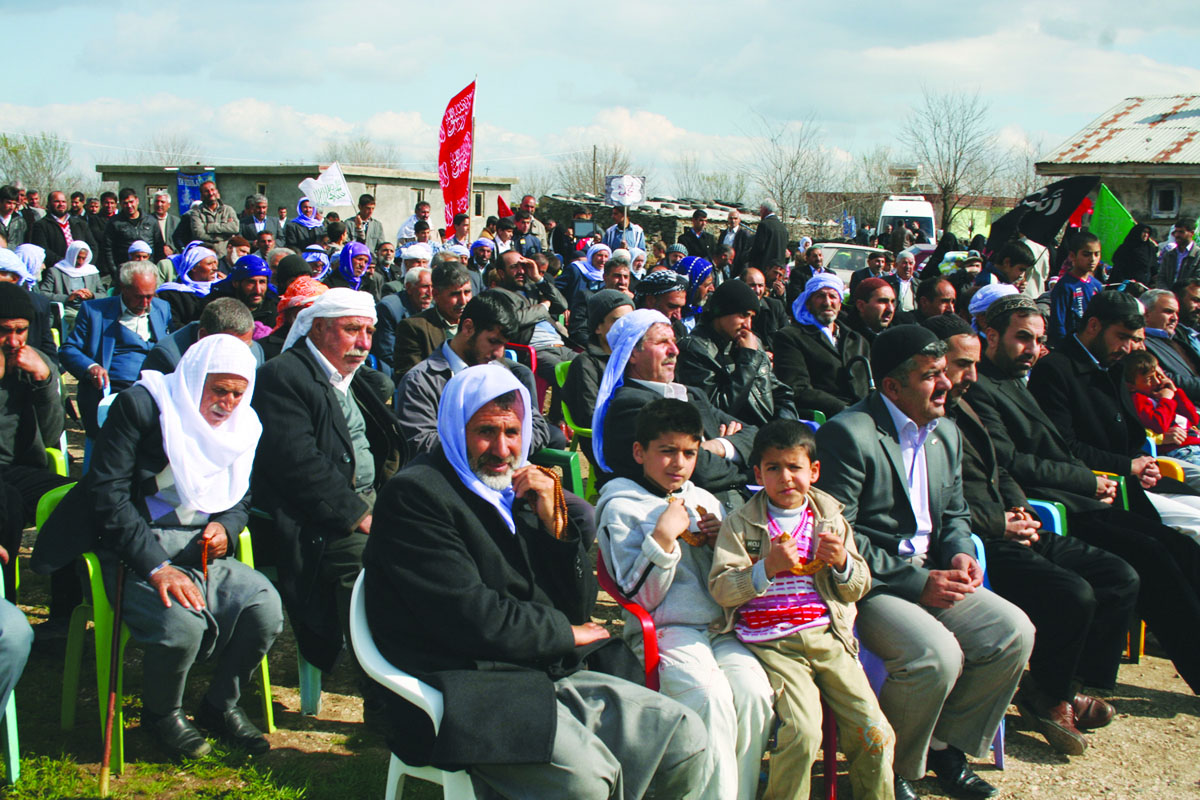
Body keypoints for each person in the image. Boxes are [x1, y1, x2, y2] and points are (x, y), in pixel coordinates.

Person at [365, 364, 711, 798]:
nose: (503, 448)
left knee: (685, 738)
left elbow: (577, 607)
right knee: (586, 781)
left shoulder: (515, 491)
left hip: (539, 667)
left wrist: (555, 527)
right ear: (456, 427)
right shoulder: (418, 495)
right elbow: (470, 618)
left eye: (513, 432)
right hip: (465, 680)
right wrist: (564, 633)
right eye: (486, 431)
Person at [33, 334, 283, 758]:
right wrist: (155, 566)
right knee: (181, 625)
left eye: (238, 393)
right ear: (193, 379)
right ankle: (162, 714)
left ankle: (220, 705)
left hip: (198, 551)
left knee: (265, 608)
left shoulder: (244, 424)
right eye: (218, 390)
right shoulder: (145, 406)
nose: (228, 403)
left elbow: (241, 495)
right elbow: (108, 494)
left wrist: (226, 524)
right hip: (130, 548)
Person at [815, 324, 1034, 800]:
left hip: (935, 571)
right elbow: (838, 534)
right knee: (935, 655)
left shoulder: (947, 432)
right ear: (892, 386)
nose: (947, 383)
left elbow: (953, 511)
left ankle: (943, 747)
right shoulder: (849, 434)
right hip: (872, 584)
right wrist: (918, 582)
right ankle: (891, 768)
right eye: (932, 375)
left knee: (1013, 633)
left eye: (944, 372)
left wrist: (958, 550)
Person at [969, 294, 1200, 694]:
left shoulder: (1016, 378)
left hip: (1081, 491)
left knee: (1178, 548)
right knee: (1150, 558)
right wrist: (1090, 480)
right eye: (1023, 338)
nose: (1033, 350)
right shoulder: (983, 386)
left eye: (1038, 340)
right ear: (991, 335)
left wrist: (1095, 480)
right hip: (1054, 501)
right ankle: (1088, 685)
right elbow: (1013, 461)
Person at [928, 313, 1135, 755]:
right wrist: (1001, 523)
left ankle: (1055, 685)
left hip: (1011, 523)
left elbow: (998, 467)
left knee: (1117, 575)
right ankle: (1051, 695)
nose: (971, 376)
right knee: (1073, 593)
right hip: (979, 539)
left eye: (974, 365)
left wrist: (1018, 507)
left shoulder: (966, 402)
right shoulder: (928, 413)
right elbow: (940, 502)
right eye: (961, 365)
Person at [597, 399, 773, 800]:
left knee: (753, 695)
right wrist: (662, 539)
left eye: (689, 453)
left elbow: (730, 579)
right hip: (666, 630)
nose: (678, 463)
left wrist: (718, 541)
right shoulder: (620, 506)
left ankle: (737, 792)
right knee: (707, 696)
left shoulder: (704, 500)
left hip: (719, 628)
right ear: (640, 452)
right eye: (667, 451)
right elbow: (639, 597)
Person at [710, 419, 894, 800]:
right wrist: (766, 568)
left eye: (795, 467)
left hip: (828, 637)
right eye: (773, 468)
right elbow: (722, 589)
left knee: (874, 729)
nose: (785, 478)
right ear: (758, 473)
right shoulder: (740, 523)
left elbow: (859, 586)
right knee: (803, 732)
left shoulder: (830, 519)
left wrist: (842, 561)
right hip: (774, 643)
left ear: (814, 471)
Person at [251, 288, 404, 677]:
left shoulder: (352, 377)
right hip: (318, 520)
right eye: (352, 330)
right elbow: (298, 466)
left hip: (372, 501)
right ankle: (380, 686)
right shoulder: (283, 376)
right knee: (373, 571)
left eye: (369, 332)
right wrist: (360, 515)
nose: (364, 343)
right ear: (317, 329)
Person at [1030, 289, 1200, 537]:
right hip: (1101, 490)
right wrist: (1129, 465)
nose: (1128, 348)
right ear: (1094, 325)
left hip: (1134, 480)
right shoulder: (1055, 370)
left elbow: (1131, 433)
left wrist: (1144, 462)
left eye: (1133, 339)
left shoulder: (1114, 365)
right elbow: (1064, 447)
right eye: (1121, 336)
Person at [592, 309, 756, 501]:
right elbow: (700, 472)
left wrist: (720, 447)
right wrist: (752, 472)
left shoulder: (692, 394)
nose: (674, 350)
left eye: (673, 342)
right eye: (662, 343)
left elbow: (755, 435)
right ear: (633, 354)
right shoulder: (631, 405)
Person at [394, 291, 559, 457]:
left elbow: (536, 425)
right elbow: (421, 443)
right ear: (468, 328)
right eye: (493, 341)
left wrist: (505, 450)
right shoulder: (421, 381)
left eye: (504, 345)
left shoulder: (498, 370)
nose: (499, 353)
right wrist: (488, 450)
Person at [60, 261, 171, 437]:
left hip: (156, 388)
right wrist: (91, 367)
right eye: (139, 296)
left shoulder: (161, 308)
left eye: (150, 296)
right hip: (113, 390)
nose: (145, 303)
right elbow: (68, 350)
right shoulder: (95, 312)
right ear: (123, 289)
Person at [676, 279, 797, 426]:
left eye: (751, 317)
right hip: (735, 437)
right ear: (722, 311)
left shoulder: (752, 342)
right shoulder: (694, 349)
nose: (748, 324)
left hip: (768, 433)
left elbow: (781, 393)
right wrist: (748, 361)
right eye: (743, 315)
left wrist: (783, 426)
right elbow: (716, 409)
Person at [773, 273, 871, 420]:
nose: (827, 302)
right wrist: (845, 410)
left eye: (833, 296)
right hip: (826, 419)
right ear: (808, 302)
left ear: (840, 303)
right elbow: (797, 389)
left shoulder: (856, 340)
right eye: (820, 296)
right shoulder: (791, 337)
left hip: (863, 415)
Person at [563, 290, 633, 443]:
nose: (626, 327)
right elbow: (590, 415)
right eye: (617, 321)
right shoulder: (585, 363)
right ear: (598, 327)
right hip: (607, 441)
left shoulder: (635, 359)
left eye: (630, 321)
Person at [392, 262, 474, 379]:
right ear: (436, 295)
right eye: (455, 294)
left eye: (467, 292)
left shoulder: (479, 323)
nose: (463, 301)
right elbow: (410, 378)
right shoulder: (413, 328)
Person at [142, 297, 264, 374]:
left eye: (244, 347)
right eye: (232, 347)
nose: (239, 354)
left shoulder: (254, 352)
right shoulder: (169, 358)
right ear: (204, 336)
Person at [1138, 288, 1200, 398]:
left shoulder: (1177, 337)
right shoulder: (1141, 343)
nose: (1175, 318)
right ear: (1146, 314)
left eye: (1177, 313)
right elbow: (1162, 378)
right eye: (1168, 311)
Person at [372, 266, 431, 376]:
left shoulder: (432, 307)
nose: (430, 293)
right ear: (408, 287)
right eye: (425, 287)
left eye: (432, 287)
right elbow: (388, 353)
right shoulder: (389, 308)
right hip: (398, 369)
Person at [1048, 233, 1103, 347]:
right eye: (1086, 254)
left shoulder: (1096, 285)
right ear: (1072, 256)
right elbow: (1058, 323)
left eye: (1096, 254)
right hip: (1070, 345)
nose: (1092, 259)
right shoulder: (1065, 286)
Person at [567, 250, 631, 348]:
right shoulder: (587, 297)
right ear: (605, 277)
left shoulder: (633, 302)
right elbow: (579, 333)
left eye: (626, 277)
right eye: (617, 276)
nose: (622, 282)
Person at [258, 274, 327, 360]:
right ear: (290, 312)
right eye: (307, 310)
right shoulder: (263, 349)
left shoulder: (333, 347)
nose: (314, 317)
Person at [202, 254, 279, 329]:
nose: (258, 290)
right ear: (235, 283)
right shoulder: (216, 309)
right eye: (251, 282)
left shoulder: (275, 310)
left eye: (262, 282)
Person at [29, 190, 96, 268]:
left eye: (63, 202)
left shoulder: (80, 224)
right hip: (56, 270)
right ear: (49, 204)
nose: (61, 204)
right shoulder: (41, 225)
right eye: (57, 201)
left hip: (81, 269)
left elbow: (93, 246)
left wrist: (85, 263)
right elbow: (43, 250)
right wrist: (66, 264)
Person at [157, 246, 220, 328]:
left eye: (215, 263)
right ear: (193, 267)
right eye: (209, 264)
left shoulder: (221, 290)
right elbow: (173, 324)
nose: (215, 268)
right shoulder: (172, 293)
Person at [102, 188, 158, 274]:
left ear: (137, 200)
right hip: (125, 270)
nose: (129, 206)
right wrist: (114, 271)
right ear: (120, 204)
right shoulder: (114, 223)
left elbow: (159, 245)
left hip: (148, 269)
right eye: (125, 203)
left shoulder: (151, 221)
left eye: (131, 202)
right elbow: (107, 249)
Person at [39, 240, 102, 315]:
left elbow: (103, 294)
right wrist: (68, 298)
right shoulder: (56, 271)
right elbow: (43, 294)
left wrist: (91, 295)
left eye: (83, 258)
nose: (80, 261)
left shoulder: (92, 272)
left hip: (89, 308)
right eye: (78, 257)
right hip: (68, 309)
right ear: (72, 255)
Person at [183, 181, 239, 258]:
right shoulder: (196, 213)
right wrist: (225, 236)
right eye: (206, 191)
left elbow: (235, 228)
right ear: (202, 195)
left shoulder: (228, 210)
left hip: (226, 255)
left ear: (217, 191)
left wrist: (210, 227)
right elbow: (199, 234)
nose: (210, 193)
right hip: (206, 255)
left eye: (212, 189)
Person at [843, 277, 896, 343]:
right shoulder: (846, 340)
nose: (890, 309)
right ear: (861, 306)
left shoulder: (896, 339)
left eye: (892, 302)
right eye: (883, 301)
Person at [747, 199, 788, 272]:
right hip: (778, 270)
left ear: (765, 210)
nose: (760, 212)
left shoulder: (764, 225)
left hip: (765, 268)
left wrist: (746, 257)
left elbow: (759, 248)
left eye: (761, 209)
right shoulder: (783, 228)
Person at [1157, 221, 1199, 289]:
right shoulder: (1169, 254)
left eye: (1181, 232)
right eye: (1176, 232)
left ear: (1192, 233)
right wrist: (1167, 293)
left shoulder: (1197, 255)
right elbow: (1161, 277)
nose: (1177, 235)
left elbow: (1197, 280)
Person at [718, 210, 754, 274]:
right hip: (723, 268)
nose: (733, 221)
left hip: (737, 269)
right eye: (731, 218)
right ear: (728, 219)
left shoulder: (744, 235)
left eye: (735, 218)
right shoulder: (723, 234)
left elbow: (746, 254)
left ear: (739, 220)